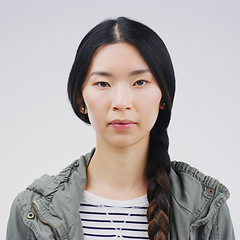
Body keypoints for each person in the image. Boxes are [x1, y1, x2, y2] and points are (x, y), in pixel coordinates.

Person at [6, 17, 235, 240]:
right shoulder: (33, 211)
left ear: (163, 97)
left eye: (139, 82)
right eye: (103, 83)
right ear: (80, 100)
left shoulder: (205, 209)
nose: (121, 102)